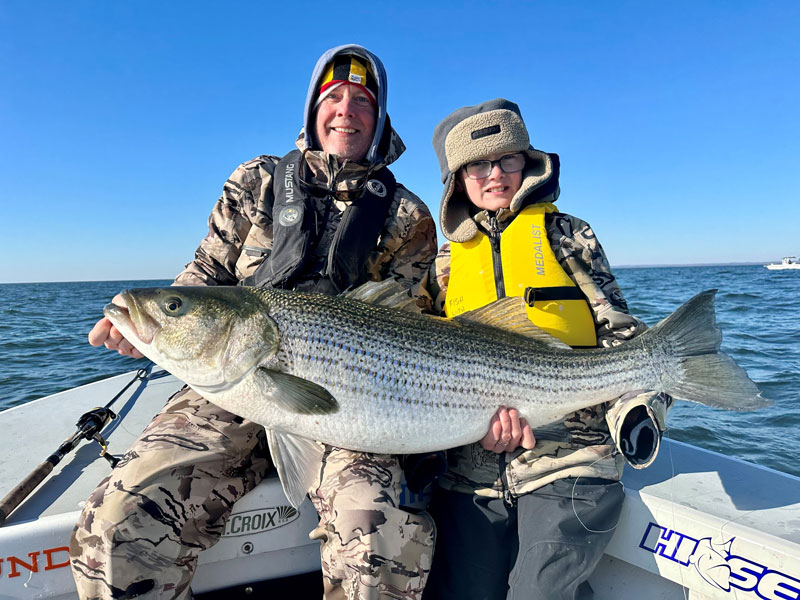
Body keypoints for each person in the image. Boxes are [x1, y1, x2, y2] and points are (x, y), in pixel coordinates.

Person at [72, 44, 440, 600]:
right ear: (313, 108)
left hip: (350, 399)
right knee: (116, 519)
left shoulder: (408, 215)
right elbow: (202, 276)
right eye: (333, 97)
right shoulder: (258, 179)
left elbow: (415, 320)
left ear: (381, 115)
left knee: (381, 539)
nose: (346, 110)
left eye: (363, 101)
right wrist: (151, 325)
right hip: (227, 382)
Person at [421, 98, 672, 600]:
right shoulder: (442, 264)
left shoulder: (567, 236)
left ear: (528, 162)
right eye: (476, 165)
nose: (494, 174)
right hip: (472, 476)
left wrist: (640, 412)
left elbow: (623, 337)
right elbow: (420, 363)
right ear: (456, 180)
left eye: (506, 159)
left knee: (538, 593)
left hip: (570, 459)